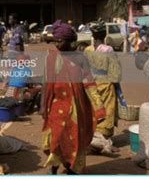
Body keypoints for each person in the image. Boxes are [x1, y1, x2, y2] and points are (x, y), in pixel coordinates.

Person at [42, 20, 105, 175]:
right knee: (56, 138)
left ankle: (72, 168)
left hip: (76, 107)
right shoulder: (50, 58)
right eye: (55, 41)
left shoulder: (80, 59)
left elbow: (89, 83)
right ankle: (54, 167)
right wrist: (43, 105)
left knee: (74, 137)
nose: (57, 44)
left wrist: (99, 108)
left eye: (60, 41)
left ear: (70, 41)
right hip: (56, 106)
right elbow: (46, 83)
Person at [84, 19, 122, 154]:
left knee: (94, 110)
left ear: (93, 36)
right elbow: (115, 71)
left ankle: (92, 140)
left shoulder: (87, 50)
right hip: (105, 83)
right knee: (107, 111)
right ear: (104, 35)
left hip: (91, 84)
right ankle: (103, 142)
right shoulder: (108, 49)